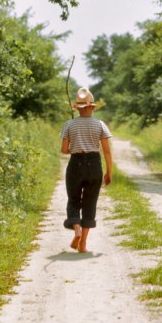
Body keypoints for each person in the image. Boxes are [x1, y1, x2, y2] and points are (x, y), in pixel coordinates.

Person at [60, 87, 113, 252]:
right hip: (94, 165)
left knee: (74, 200)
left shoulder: (69, 124)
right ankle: (82, 243)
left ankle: (76, 228)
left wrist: (74, 149)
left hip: (75, 163)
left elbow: (63, 149)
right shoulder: (100, 125)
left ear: (77, 108)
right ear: (92, 107)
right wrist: (109, 172)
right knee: (90, 203)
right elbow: (106, 151)